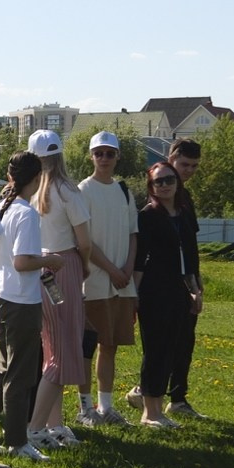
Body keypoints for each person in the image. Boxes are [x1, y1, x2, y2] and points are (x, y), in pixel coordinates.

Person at [0, 151, 62, 462]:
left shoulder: (3, 207)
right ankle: (17, 440)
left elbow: (9, 255)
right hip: (22, 300)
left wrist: (37, 254)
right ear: (37, 179)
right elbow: (22, 262)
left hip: (2, 295)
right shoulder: (26, 213)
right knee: (20, 373)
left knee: (2, 367)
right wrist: (50, 259)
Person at [25, 131, 98, 449]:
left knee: (52, 348)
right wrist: (84, 266)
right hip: (63, 267)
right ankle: (36, 427)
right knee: (64, 351)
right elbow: (84, 241)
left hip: (39, 270)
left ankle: (54, 424)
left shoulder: (30, 192)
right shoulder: (68, 191)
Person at [77, 132, 138, 426]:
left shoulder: (124, 191)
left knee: (110, 345)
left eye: (109, 153)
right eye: (99, 153)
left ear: (117, 157)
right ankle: (85, 407)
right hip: (95, 281)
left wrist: (126, 268)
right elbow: (84, 240)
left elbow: (133, 235)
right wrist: (112, 270)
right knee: (89, 344)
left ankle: (106, 406)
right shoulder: (83, 191)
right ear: (91, 156)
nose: (104, 158)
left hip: (122, 283)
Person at [134, 161, 197, 429]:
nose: (165, 185)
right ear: (151, 187)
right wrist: (132, 296)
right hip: (153, 291)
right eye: (158, 182)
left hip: (179, 290)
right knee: (156, 350)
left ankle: (159, 410)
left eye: (169, 180)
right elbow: (138, 259)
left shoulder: (182, 214)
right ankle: (149, 413)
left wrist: (195, 289)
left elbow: (190, 256)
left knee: (172, 348)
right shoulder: (147, 216)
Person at [164, 136, 208, 418]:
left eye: (193, 166)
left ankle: (178, 398)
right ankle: (146, 392)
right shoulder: (161, 192)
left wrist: (196, 279)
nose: (189, 170)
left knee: (184, 342)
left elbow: (190, 243)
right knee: (167, 342)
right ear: (171, 160)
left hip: (187, 278)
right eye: (184, 164)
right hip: (166, 280)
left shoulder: (185, 196)